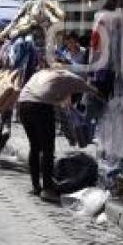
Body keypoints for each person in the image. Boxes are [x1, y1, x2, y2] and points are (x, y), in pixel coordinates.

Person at [18, 67, 99, 203]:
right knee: (48, 149)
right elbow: (87, 87)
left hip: (23, 104)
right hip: (41, 106)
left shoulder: (41, 73)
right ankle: (47, 189)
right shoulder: (67, 75)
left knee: (35, 146)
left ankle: (36, 186)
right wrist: (99, 93)